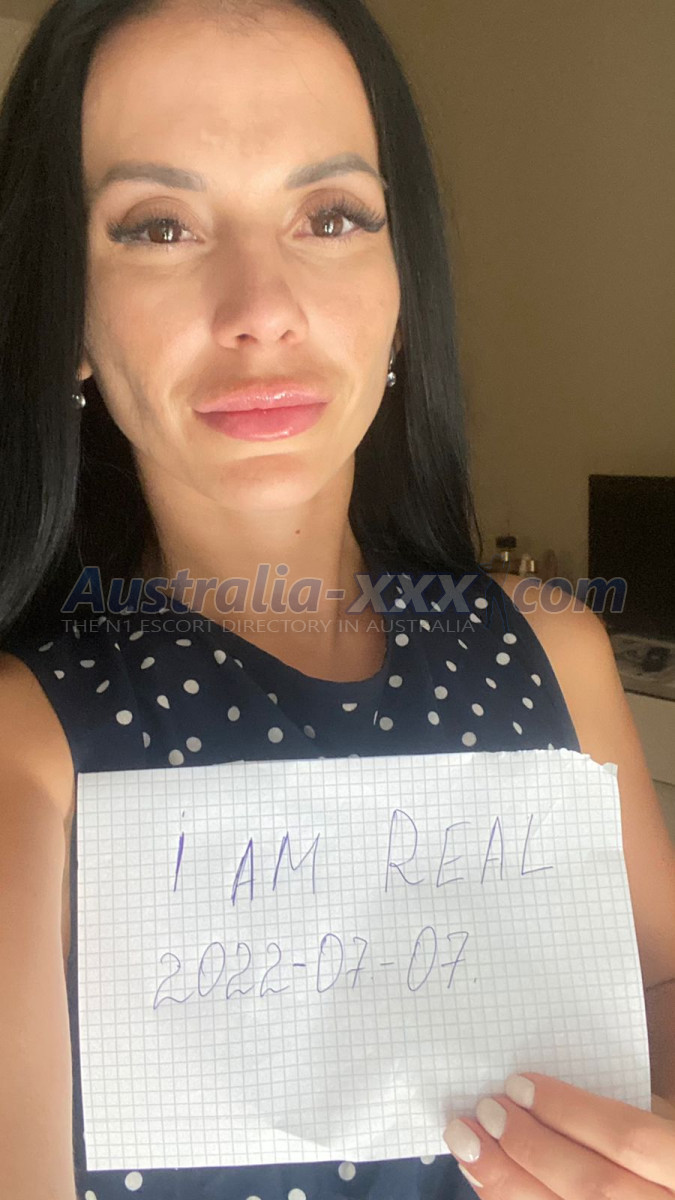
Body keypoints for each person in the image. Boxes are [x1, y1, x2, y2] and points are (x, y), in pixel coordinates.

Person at [1, 1, 674, 1198]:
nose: (261, 307)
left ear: (402, 281)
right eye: (158, 226)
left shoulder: (556, 650)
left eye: (331, 215)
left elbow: (659, 986)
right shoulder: (27, 745)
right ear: (69, 321)